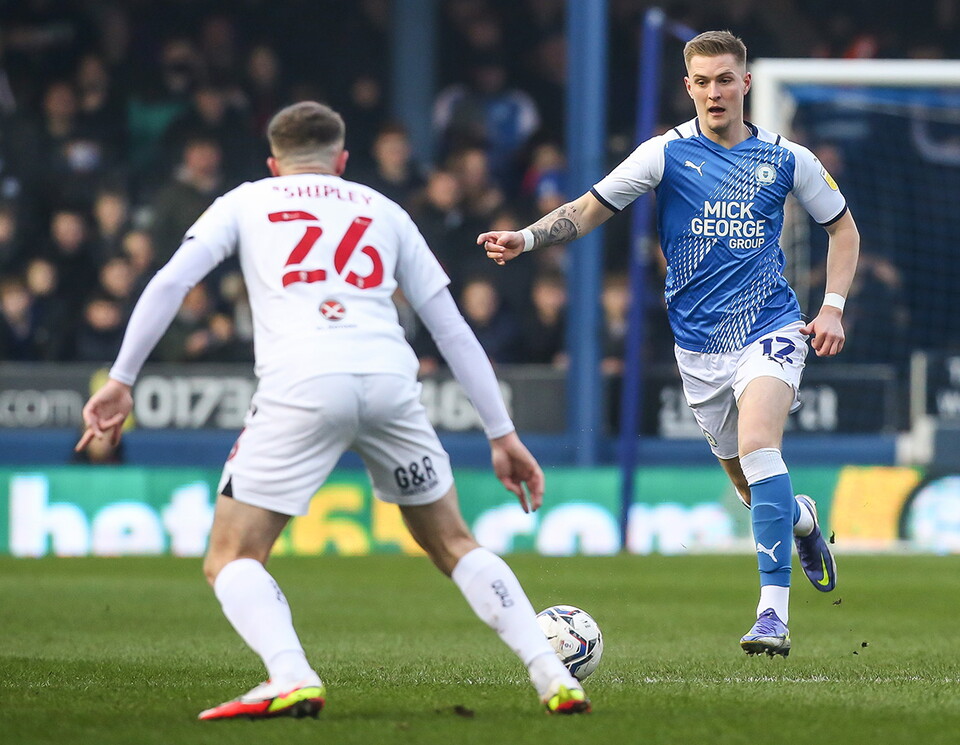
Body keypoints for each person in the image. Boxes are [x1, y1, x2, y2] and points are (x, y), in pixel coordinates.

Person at [76, 101, 590, 718]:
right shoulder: (385, 209)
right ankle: (551, 673)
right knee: (453, 542)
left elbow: (168, 282)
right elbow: (451, 329)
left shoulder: (247, 199)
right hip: (389, 379)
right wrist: (502, 434)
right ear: (342, 161)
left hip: (302, 381)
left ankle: (291, 675)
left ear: (273, 162)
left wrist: (123, 378)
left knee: (232, 557)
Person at [478, 30, 860, 658]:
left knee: (760, 443)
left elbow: (843, 231)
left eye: (724, 79)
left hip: (772, 327)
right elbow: (587, 210)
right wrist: (526, 238)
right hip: (698, 348)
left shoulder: (788, 159)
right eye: (702, 81)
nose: (715, 91)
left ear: (746, 84)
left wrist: (833, 308)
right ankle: (801, 521)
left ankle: (772, 614)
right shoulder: (663, 155)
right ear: (689, 87)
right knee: (748, 483)